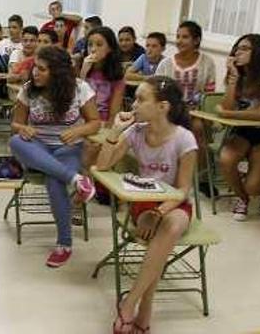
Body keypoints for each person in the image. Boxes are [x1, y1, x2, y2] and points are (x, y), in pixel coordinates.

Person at [95, 76, 197, 334]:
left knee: (169, 228)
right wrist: (115, 132)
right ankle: (145, 307)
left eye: (141, 99)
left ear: (162, 107)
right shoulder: (135, 132)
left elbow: (184, 190)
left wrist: (159, 212)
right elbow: (103, 165)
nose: (134, 105)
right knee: (160, 240)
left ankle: (130, 303)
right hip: (142, 201)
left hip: (174, 204)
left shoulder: (185, 139)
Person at [8, 46, 100, 267]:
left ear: (57, 72)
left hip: (67, 148)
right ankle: (77, 180)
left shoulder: (79, 89)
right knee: (15, 141)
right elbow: (15, 124)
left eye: (42, 69)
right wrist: (23, 129)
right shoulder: (29, 89)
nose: (35, 73)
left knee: (54, 180)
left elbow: (96, 123)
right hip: (37, 147)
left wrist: (78, 131)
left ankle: (65, 244)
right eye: (34, 68)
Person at [217, 34, 260, 221]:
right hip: (243, 128)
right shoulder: (238, 74)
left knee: (254, 185)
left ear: (259, 53)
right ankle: (243, 198)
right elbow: (228, 106)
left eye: (245, 48)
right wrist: (232, 77)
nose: (238, 52)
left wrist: (228, 114)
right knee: (226, 159)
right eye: (237, 48)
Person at [155, 21, 216, 172]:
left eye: (185, 37)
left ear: (196, 40)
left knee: (198, 128)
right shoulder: (166, 64)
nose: (179, 41)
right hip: (169, 111)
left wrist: (194, 108)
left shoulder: (207, 62)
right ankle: (164, 170)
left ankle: (200, 175)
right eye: (178, 36)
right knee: (166, 128)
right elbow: (157, 91)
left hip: (197, 112)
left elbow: (208, 94)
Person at [80, 27, 125, 124]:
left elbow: (113, 114)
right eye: (90, 45)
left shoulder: (116, 76)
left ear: (110, 48)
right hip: (80, 121)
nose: (93, 49)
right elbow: (75, 102)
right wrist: (83, 72)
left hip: (102, 122)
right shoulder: (80, 67)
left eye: (99, 45)